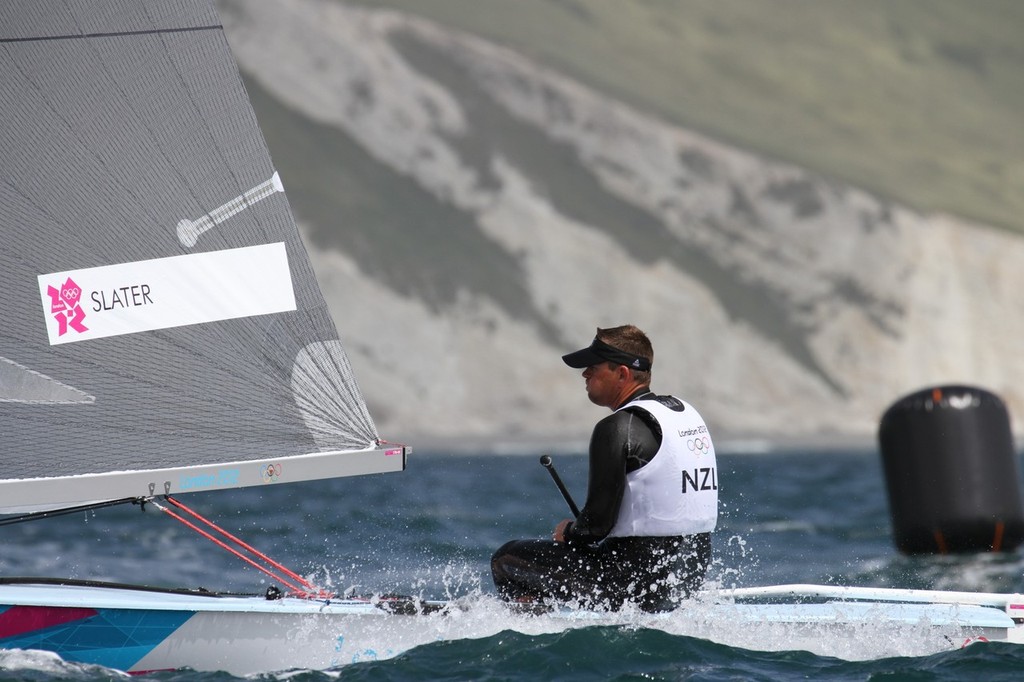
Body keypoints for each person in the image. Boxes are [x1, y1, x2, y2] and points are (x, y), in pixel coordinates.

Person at [491, 325, 718, 612]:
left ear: (622, 374)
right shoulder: (686, 414)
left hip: (632, 590)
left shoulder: (617, 428)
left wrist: (570, 531)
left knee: (506, 558)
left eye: (593, 367)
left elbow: (596, 527)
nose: (585, 374)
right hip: (686, 581)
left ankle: (533, 624)